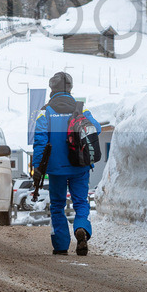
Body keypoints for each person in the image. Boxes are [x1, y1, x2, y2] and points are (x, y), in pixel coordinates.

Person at [31, 71, 100, 256]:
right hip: (80, 166)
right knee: (80, 202)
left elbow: (39, 141)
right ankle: (82, 229)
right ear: (70, 88)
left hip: (55, 169)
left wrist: (37, 167)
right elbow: (97, 129)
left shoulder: (45, 113)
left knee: (57, 205)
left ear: (51, 89)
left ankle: (61, 245)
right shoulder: (81, 109)